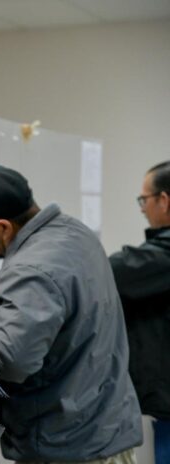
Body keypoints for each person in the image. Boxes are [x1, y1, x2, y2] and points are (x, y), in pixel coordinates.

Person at [0, 165, 143, 463]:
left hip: (70, 448)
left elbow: (9, 360)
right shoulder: (71, 233)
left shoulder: (33, 268)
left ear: (3, 227)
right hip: (103, 429)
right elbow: (17, 289)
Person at [109, 160, 170, 464]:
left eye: (143, 200)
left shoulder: (161, 257)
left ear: (164, 200)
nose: (143, 208)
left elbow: (110, 270)